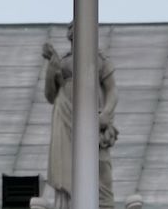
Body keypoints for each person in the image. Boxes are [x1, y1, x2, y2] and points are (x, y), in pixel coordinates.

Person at [41, 24, 118, 209]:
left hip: (93, 121)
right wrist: (52, 67)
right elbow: (50, 95)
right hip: (64, 118)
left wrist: (106, 114)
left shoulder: (100, 60)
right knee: (67, 166)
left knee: (100, 167)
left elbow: (112, 90)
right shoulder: (64, 62)